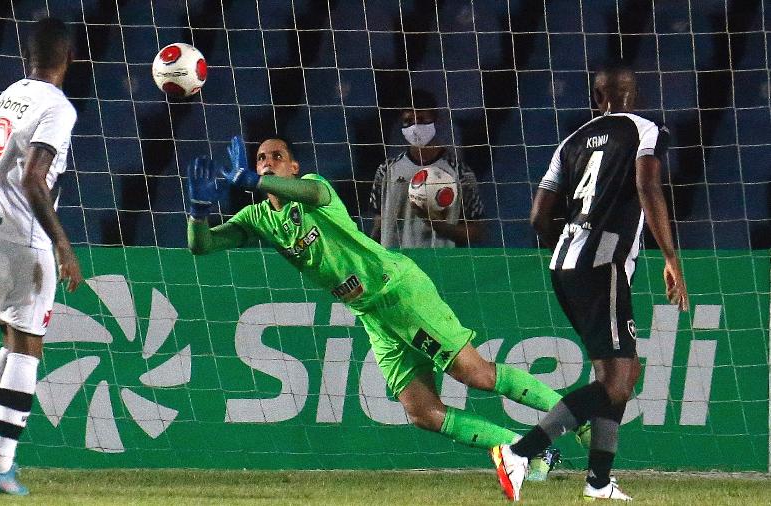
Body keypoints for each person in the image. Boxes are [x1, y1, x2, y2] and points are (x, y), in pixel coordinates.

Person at [187, 135, 587, 471]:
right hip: (371, 313)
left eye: (278, 157)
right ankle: (530, 455)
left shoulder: (312, 188)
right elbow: (202, 246)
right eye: (261, 159)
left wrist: (253, 182)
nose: (268, 162)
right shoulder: (259, 219)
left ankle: (578, 416)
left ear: (294, 167)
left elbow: (309, 191)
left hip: (396, 289)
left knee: (476, 375)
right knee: (423, 412)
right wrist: (198, 212)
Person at [491, 67, 689, 502]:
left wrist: (566, 247)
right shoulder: (645, 130)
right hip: (605, 264)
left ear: (598, 97)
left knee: (616, 372)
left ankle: (599, 481)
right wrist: (671, 257)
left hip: (565, 261)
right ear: (632, 95)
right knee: (618, 381)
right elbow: (647, 184)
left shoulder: (570, 141)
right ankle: (520, 452)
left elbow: (538, 217)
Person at [0, 17, 81, 495]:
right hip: (20, 237)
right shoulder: (58, 107)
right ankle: (2, 463)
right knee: (29, 345)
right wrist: (61, 242)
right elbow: (34, 178)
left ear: (27, 56)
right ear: (68, 58)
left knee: (12, 341)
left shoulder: (7, 94)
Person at [371, 89, 484, 247]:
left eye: (422, 119)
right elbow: (379, 224)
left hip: (440, 265)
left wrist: (442, 228)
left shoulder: (461, 173)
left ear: (435, 119)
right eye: (408, 121)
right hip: (397, 265)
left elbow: (477, 231)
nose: (415, 126)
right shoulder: (386, 171)